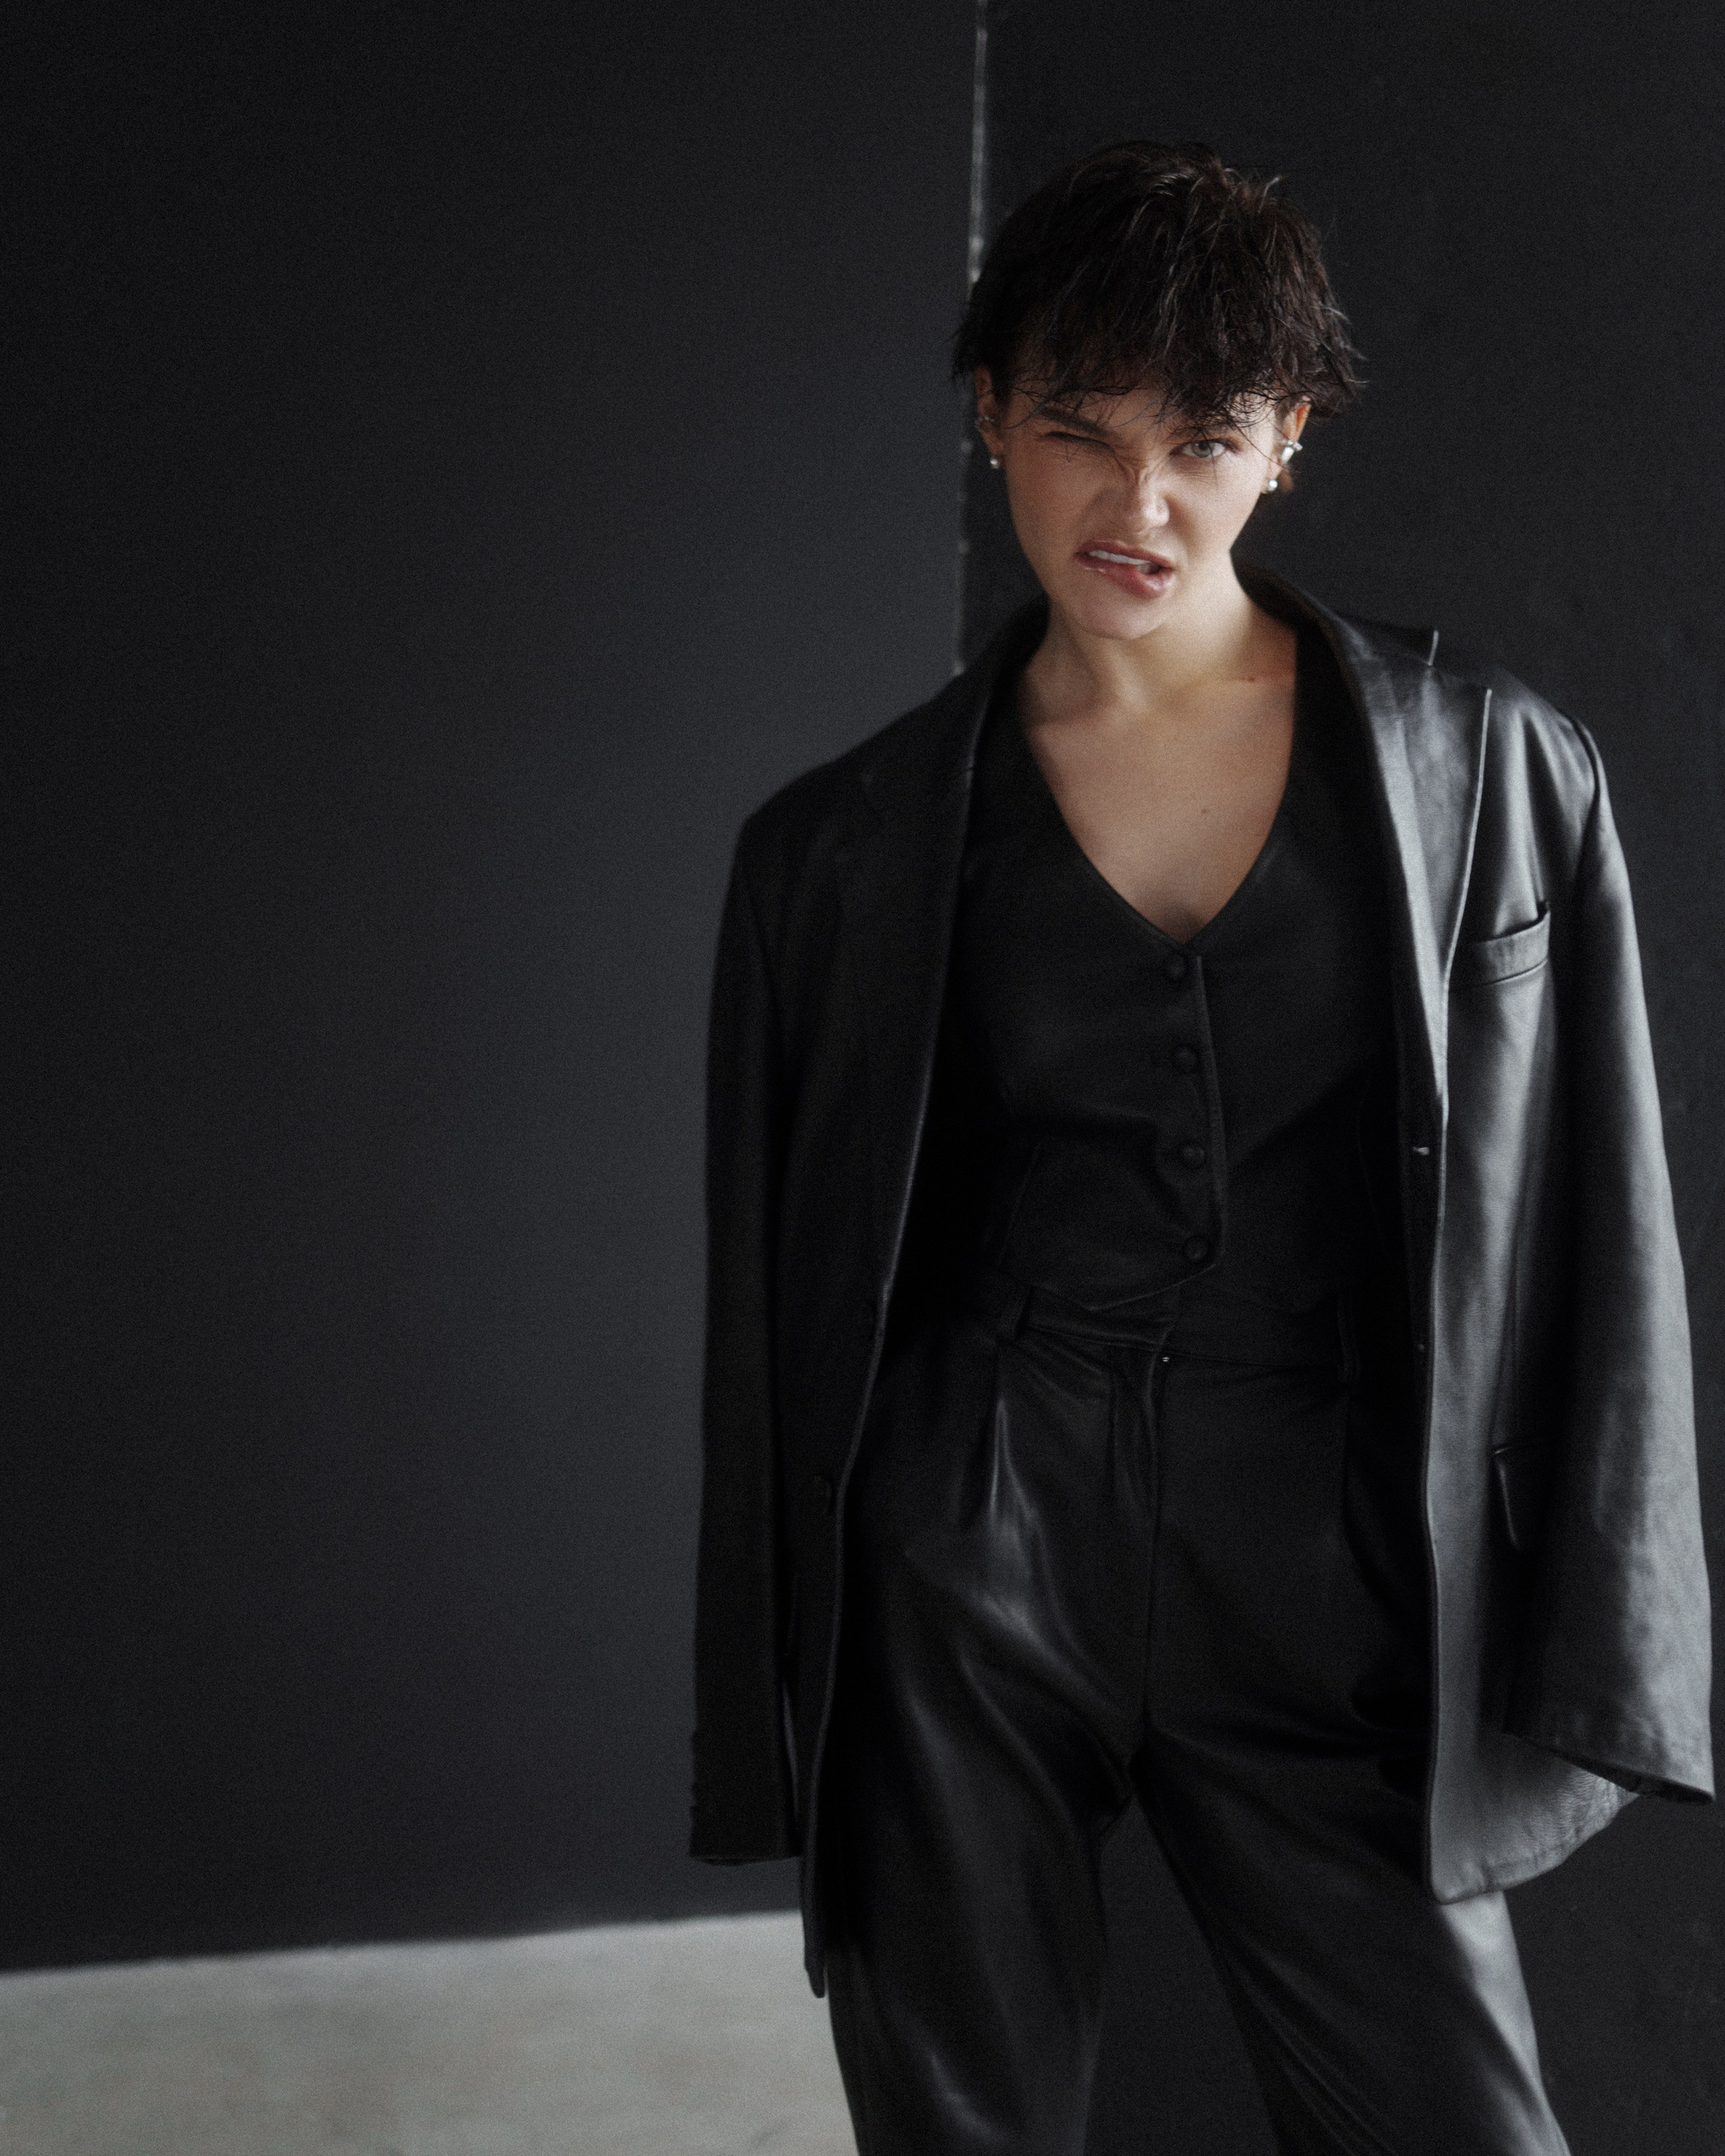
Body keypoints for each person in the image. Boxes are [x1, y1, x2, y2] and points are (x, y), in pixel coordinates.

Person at [689, 141, 1712, 2155]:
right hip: (973, 1539)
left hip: (1328, 1553)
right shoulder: (835, 850)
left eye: (1203, 444)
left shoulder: (1494, 771)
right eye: (1080, 430)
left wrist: (1613, 1610)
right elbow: (777, 1311)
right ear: (990, 411)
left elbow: (1610, 1224)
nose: (1135, 503)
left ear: (1288, 444)